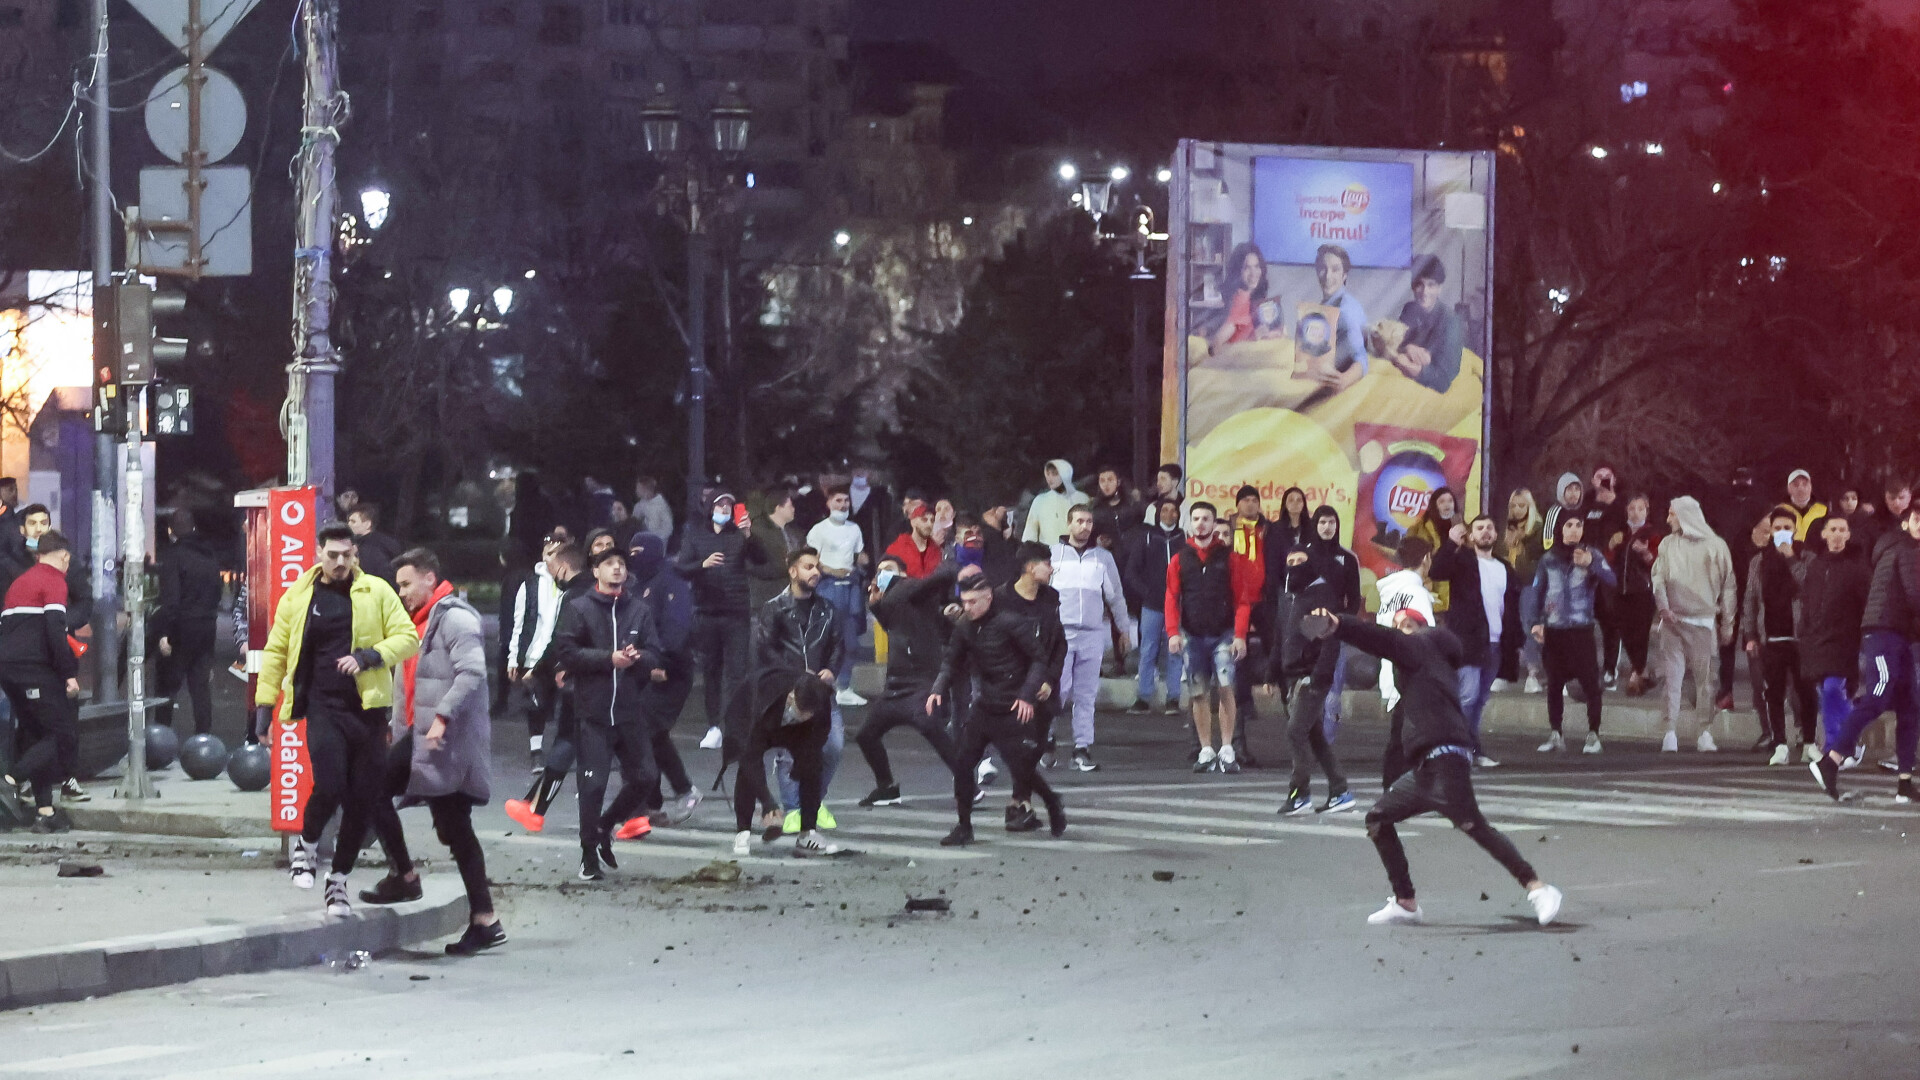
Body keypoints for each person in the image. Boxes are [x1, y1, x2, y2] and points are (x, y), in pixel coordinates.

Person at [1297, 606, 1562, 929]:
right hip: (1425, 768)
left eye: (1407, 624)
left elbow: (1381, 638)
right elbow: (1397, 741)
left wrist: (1340, 625)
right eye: (1397, 625)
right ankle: (1406, 903)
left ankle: (1538, 888)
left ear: (1424, 628)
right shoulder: (1422, 672)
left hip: (1446, 757)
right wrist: (1391, 785)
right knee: (1379, 819)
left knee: (1472, 824)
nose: (1401, 630)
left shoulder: (1421, 647)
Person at [253, 522, 419, 916]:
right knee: (328, 781)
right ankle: (306, 846)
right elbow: (276, 652)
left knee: (361, 801)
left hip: (368, 708)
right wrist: (264, 709)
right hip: (323, 706)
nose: (340, 562)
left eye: (347, 555)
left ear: (356, 555)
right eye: (332, 555)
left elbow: (407, 637)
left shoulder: (376, 591)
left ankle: (338, 882)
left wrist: (367, 657)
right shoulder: (299, 596)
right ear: (318, 554)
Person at [354, 548, 505, 955]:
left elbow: (472, 672)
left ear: (429, 578)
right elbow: (410, 682)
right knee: (375, 791)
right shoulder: (417, 623)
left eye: (406, 584)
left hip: (446, 743)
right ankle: (408, 879)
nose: (401, 592)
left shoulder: (454, 617)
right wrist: (397, 729)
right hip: (421, 739)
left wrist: (441, 718)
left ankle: (481, 918)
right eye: (398, 585)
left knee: (454, 828)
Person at [552, 547, 665, 881]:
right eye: (609, 564)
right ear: (596, 571)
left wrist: (638, 656)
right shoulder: (579, 607)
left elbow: (656, 653)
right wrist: (607, 659)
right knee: (593, 785)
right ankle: (589, 855)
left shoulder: (638, 609)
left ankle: (605, 825)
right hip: (593, 712)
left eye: (621, 564)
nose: (617, 569)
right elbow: (567, 652)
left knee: (645, 776)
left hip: (629, 711)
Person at [929, 575, 1065, 845]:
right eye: (964, 601)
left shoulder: (1010, 623)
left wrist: (1027, 696)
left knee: (1021, 769)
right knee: (963, 764)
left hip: (1012, 706)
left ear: (988, 598)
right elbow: (951, 661)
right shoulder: (965, 627)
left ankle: (1051, 801)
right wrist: (937, 689)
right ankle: (964, 826)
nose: (967, 607)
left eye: (973, 602)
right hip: (984, 707)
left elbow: (1038, 659)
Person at [1811, 504, 1920, 804]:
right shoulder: (1907, 549)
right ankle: (1830, 761)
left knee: (1911, 705)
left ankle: (1905, 783)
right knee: (1877, 696)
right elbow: (1915, 594)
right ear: (1905, 522)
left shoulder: (1904, 547)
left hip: (1900, 634)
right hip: (1883, 633)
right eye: (1916, 518)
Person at [1271, 506, 1361, 813]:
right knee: (1314, 734)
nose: (1294, 566)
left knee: (1296, 731)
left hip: (1310, 678)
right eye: (1290, 562)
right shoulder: (1293, 597)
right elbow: (1284, 638)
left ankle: (1300, 793)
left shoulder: (1321, 596)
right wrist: (1274, 673)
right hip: (1292, 675)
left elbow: (1328, 641)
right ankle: (1340, 790)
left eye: (1300, 562)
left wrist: (1318, 676)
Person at [855, 556, 963, 806]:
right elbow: (893, 626)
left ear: (903, 574)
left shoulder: (909, 589)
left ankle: (967, 781)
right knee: (866, 735)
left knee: (930, 727)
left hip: (919, 681)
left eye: (889, 571)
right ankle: (887, 787)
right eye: (879, 570)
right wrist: (875, 606)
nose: (882, 575)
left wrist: (949, 564)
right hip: (895, 685)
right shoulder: (894, 600)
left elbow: (940, 578)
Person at [504, 544, 592, 832]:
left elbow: (559, 640)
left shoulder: (573, 596)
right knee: (574, 743)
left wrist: (539, 669)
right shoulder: (599, 592)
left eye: (553, 568)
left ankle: (537, 809)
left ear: (564, 567)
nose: (551, 573)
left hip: (584, 684)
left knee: (568, 742)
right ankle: (533, 804)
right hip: (603, 681)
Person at [756, 547, 845, 833]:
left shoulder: (827, 609)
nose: (815, 572)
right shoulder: (774, 608)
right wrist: (792, 676)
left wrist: (832, 669)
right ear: (793, 571)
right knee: (789, 753)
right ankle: (794, 809)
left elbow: (837, 645)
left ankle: (813, 803)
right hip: (789, 693)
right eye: (808, 566)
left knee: (832, 746)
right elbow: (766, 650)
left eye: (817, 566)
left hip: (821, 693)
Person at [1165, 501, 1257, 772]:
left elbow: (1242, 600)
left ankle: (1227, 747)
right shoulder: (1180, 558)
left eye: (1206, 518)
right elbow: (1171, 597)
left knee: (1226, 687)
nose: (1201, 523)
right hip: (1192, 635)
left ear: (1214, 523)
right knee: (1198, 693)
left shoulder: (1230, 558)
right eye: (1196, 518)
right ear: (1190, 523)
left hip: (1223, 634)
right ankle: (1206, 748)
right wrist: (1173, 633)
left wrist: (1240, 635)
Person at [0, 531, 80, 832]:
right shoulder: (53, 581)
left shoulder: (20, 582)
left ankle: (45, 812)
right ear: (64, 556)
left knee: (37, 736)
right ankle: (9, 780)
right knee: (62, 734)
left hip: (8, 670)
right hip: (33, 669)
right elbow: (55, 631)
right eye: (68, 562)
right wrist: (68, 673)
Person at [676, 490, 767, 750]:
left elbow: (762, 560)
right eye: (720, 505)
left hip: (736, 612)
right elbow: (681, 568)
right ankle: (714, 725)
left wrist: (749, 535)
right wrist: (702, 565)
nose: (725, 509)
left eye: (729, 505)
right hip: (706, 612)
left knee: (737, 672)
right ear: (710, 508)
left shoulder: (739, 535)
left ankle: (735, 727)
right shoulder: (695, 534)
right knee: (711, 670)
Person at [1431, 515, 1521, 765]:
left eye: (1490, 528)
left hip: (1495, 643)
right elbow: (1436, 571)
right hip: (1466, 641)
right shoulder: (1462, 561)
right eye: (1479, 528)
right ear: (1471, 535)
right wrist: (1450, 543)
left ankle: (1471, 748)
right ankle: (1455, 748)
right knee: (1467, 695)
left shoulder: (1504, 567)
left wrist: (1515, 640)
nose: (1485, 532)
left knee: (1480, 699)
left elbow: (1512, 605)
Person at [1652, 496, 1739, 753]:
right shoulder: (1668, 544)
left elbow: (1728, 586)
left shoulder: (1716, 546)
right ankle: (1670, 732)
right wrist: (1663, 606)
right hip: (1673, 622)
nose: (1668, 519)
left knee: (1705, 680)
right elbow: (1658, 578)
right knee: (1672, 678)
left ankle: (1704, 731)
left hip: (1702, 622)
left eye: (1672, 514)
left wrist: (1727, 623)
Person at [1049, 505, 1131, 771]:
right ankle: (1046, 739)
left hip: (1093, 633)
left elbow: (1115, 596)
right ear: (1068, 523)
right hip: (1060, 633)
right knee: (1056, 691)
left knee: (1086, 695)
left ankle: (1081, 748)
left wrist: (1124, 630)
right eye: (1080, 521)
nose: (1085, 526)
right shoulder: (1053, 555)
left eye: (1089, 521)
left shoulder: (1103, 558)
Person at [627, 533, 702, 825]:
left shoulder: (670, 582)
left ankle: (659, 797)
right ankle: (666, 797)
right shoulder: (641, 582)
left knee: (645, 729)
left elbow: (676, 628)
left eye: (639, 552)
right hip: (647, 668)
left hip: (670, 671)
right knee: (652, 733)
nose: (634, 557)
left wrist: (661, 664)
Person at [1526, 513, 1617, 754]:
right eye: (1569, 525)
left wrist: (1592, 564)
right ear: (1560, 529)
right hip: (1555, 631)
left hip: (1581, 630)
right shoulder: (1548, 559)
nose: (1575, 530)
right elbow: (1537, 591)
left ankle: (1593, 735)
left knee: (1590, 684)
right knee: (1554, 684)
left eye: (1579, 525)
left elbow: (1612, 580)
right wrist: (1535, 622)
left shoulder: (1591, 554)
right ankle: (1556, 734)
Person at [726, 670, 842, 857]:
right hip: (760, 721)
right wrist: (767, 802)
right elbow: (750, 757)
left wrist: (802, 765)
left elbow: (819, 737)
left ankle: (808, 833)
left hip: (797, 732)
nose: (804, 715)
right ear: (791, 696)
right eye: (801, 711)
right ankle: (743, 831)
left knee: (813, 766)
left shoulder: (820, 701)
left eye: (809, 713)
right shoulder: (764, 694)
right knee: (747, 769)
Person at [1741, 506, 1819, 762]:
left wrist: (1791, 559)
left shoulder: (1806, 558)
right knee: (1773, 692)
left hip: (1799, 637)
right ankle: (1780, 745)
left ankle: (1809, 742)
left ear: (1795, 529)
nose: (1783, 533)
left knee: (1806, 691)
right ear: (1770, 532)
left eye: (1787, 528)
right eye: (1777, 529)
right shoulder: (1759, 561)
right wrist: (1750, 634)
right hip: (1771, 637)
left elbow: (1808, 589)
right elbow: (1751, 599)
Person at [1795, 515, 1871, 772]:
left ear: (1849, 535)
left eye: (1843, 530)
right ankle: (1844, 744)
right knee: (1826, 694)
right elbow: (1806, 604)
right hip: (1816, 641)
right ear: (1824, 534)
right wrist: (1804, 634)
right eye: (1833, 529)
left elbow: (1866, 604)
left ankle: (1835, 746)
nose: (1838, 534)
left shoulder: (1856, 568)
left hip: (1844, 640)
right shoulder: (1815, 567)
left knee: (1832, 689)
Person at [154, 509, 222, 737]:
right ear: (193, 528)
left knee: (166, 688)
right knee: (200, 689)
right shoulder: (209, 554)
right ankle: (204, 740)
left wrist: (166, 634)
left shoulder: (174, 556)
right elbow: (217, 593)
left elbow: (170, 600)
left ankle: (161, 740)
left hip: (182, 628)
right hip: (207, 628)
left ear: (171, 531)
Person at [805, 486, 870, 706]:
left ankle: (844, 686)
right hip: (828, 587)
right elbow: (811, 559)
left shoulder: (854, 529)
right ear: (829, 503)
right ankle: (818, 686)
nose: (843, 505)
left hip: (850, 587)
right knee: (825, 638)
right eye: (838, 501)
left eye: (846, 501)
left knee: (851, 641)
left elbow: (858, 554)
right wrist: (832, 571)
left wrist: (864, 561)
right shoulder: (819, 530)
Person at [506, 536, 565, 773]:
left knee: (566, 703)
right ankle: (536, 751)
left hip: (562, 654)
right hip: (535, 655)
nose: (553, 558)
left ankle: (566, 750)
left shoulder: (569, 584)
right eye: (549, 553)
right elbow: (519, 623)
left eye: (558, 553)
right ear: (542, 555)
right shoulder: (530, 585)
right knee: (535, 704)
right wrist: (514, 657)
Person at [1124, 497, 1186, 714]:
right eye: (1165, 510)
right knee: (1148, 650)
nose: (1169, 514)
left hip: (1177, 607)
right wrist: (1146, 592)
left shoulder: (1184, 539)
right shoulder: (1147, 538)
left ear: (1179, 514)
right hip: (1152, 605)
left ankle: (1173, 699)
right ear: (1158, 513)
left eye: (1173, 510)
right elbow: (1132, 571)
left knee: (1175, 651)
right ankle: (1143, 697)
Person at [1375, 537, 1437, 725]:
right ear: (1426, 558)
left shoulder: (1390, 592)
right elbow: (1429, 638)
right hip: (1411, 679)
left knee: (1398, 739)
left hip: (1390, 675)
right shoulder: (1416, 593)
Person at [1391, 254, 1464, 393]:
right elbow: (1395, 343)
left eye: (1431, 285)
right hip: (1412, 379)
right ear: (1413, 286)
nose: (1425, 292)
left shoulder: (1452, 321)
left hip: (1438, 386)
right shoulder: (1410, 309)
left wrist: (1405, 364)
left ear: (1440, 288)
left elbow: (1443, 381)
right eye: (1420, 284)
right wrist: (1408, 348)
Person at [1497, 488, 1546, 692]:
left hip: (1531, 584)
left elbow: (1538, 554)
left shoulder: (1538, 527)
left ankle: (1533, 673)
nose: (1517, 510)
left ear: (1530, 506)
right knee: (1508, 627)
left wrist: (1522, 539)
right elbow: (1500, 555)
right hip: (1510, 585)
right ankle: (1506, 673)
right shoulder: (1508, 528)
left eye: (1521, 505)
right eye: (1513, 506)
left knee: (1529, 626)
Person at [1613, 494, 1663, 696]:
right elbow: (1610, 559)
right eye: (1632, 508)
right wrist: (1612, 545)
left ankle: (1636, 674)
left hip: (1642, 591)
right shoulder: (1621, 533)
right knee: (1625, 633)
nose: (1636, 512)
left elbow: (1659, 563)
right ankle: (1642, 672)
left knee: (1640, 634)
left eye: (1640, 508)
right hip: (1621, 590)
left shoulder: (1652, 534)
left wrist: (1645, 553)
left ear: (1646, 510)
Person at [1308, 244, 1368, 394]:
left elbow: (1361, 358)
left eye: (1335, 269)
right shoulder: (1328, 306)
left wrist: (1344, 380)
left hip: (1340, 394)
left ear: (1345, 275)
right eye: (1323, 268)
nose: (1328, 276)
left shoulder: (1346, 310)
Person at [1208, 241, 1269, 351]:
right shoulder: (1241, 299)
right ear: (1237, 271)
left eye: (1256, 266)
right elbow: (1214, 347)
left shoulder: (1253, 299)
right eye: (1247, 268)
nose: (1253, 273)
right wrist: (1253, 338)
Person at [748, 487, 803, 608]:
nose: (793, 509)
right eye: (790, 506)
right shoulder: (757, 532)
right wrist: (786, 567)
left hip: (789, 597)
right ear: (778, 508)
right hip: (766, 597)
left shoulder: (793, 533)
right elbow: (752, 565)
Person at [1408, 488, 1459, 613]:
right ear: (1434, 505)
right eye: (1442, 501)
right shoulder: (1422, 529)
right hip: (1432, 596)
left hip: (1457, 598)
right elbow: (1418, 563)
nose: (1447, 505)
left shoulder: (1461, 527)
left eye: (1450, 501)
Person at [1021, 459, 1090, 544]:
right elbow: (1030, 532)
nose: (1050, 478)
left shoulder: (1082, 498)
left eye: (1055, 474)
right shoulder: (1040, 500)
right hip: (1047, 554)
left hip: (1074, 552)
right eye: (1048, 474)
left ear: (1065, 474)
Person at [345, 504, 405, 584]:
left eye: (353, 521)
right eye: (348, 521)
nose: (349, 525)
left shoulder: (371, 549)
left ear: (367, 524)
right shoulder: (384, 542)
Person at [885, 500, 945, 579]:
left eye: (932, 520)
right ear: (913, 522)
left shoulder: (937, 551)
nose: (929, 524)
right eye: (924, 519)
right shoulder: (896, 549)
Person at [1541, 474, 1584, 553]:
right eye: (1569, 489)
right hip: (1556, 557)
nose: (1574, 493)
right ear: (1562, 490)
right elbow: (1547, 542)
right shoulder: (1554, 511)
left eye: (1577, 489)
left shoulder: (1581, 511)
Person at [1784, 469, 1828, 543]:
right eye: (1796, 485)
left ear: (1811, 487)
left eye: (1805, 484)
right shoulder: (1780, 510)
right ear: (1788, 489)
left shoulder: (1824, 510)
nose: (1800, 488)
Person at [631, 475, 674, 541]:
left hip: (656, 545)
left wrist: (654, 538)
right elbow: (633, 524)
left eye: (638, 488)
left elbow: (668, 528)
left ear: (646, 489)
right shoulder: (638, 506)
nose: (636, 491)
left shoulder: (661, 505)